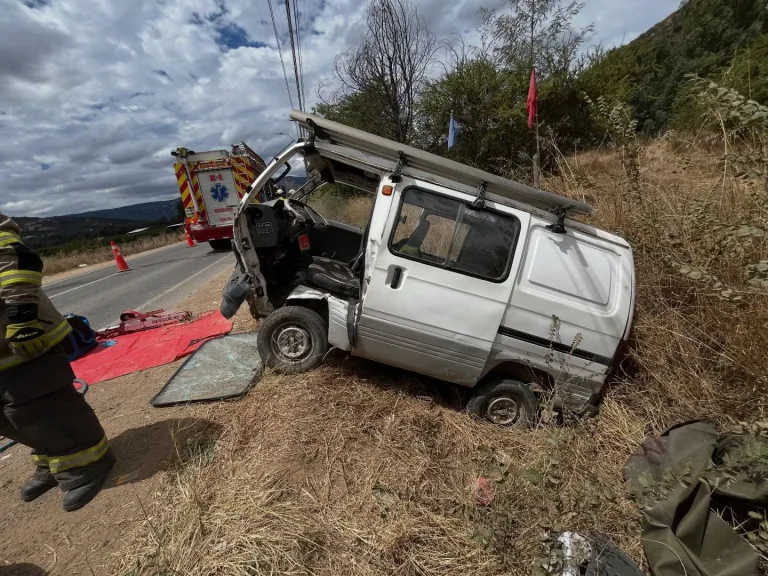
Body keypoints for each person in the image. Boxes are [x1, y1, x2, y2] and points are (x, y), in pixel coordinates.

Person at [0, 211, 115, 511]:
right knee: (9, 417)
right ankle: (53, 458)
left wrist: (21, 316)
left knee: (40, 405)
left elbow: (14, 257)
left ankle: (87, 461)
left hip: (19, 337)